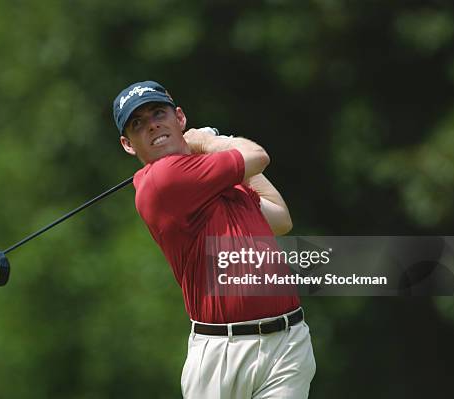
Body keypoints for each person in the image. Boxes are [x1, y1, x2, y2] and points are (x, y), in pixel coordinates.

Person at [113, 81, 316, 399]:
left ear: (179, 118)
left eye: (158, 113)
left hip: (287, 343)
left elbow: (279, 218)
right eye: (138, 124)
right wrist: (212, 141)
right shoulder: (163, 181)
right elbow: (259, 156)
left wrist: (220, 157)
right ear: (128, 144)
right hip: (221, 354)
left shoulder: (213, 177)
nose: (152, 125)